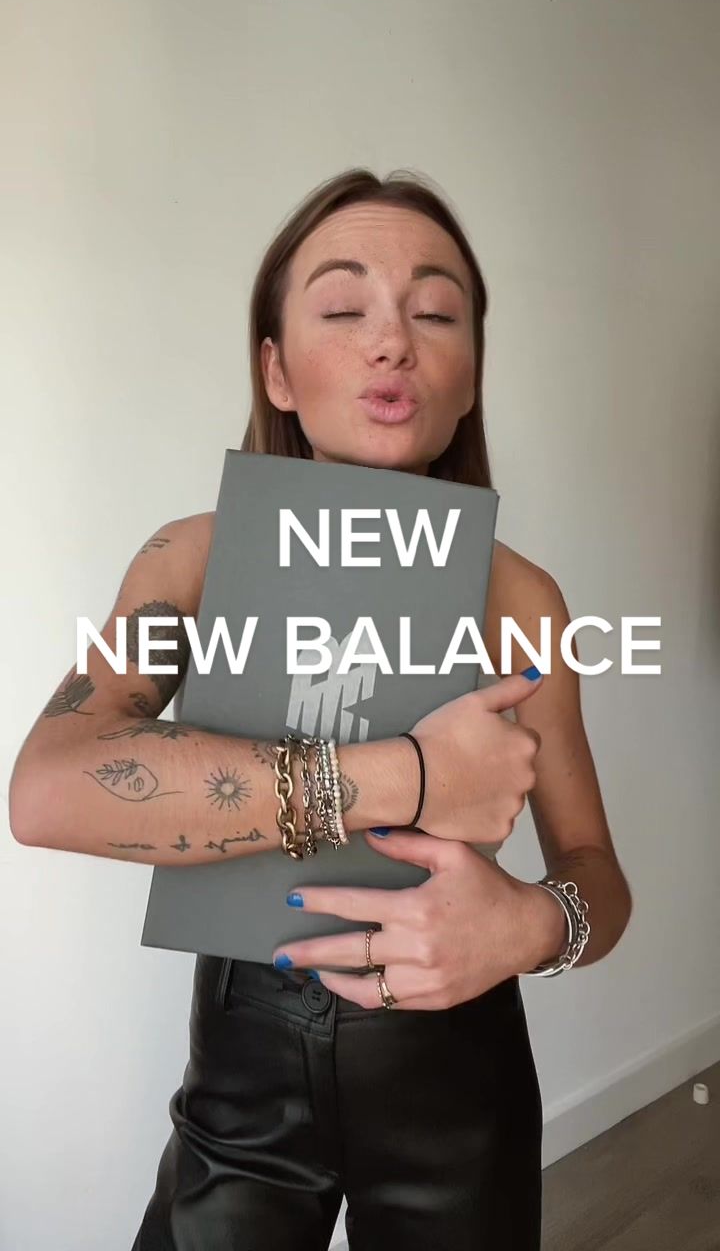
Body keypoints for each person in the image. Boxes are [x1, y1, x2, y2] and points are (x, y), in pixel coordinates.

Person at [9, 168, 633, 1250]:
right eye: (344, 309)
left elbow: (598, 876)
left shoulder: (524, 600)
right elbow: (46, 791)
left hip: (457, 1085)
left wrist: (538, 923)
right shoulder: (193, 559)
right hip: (242, 1089)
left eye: (435, 313)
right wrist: (410, 775)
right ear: (277, 370)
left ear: (470, 375)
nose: (391, 342)